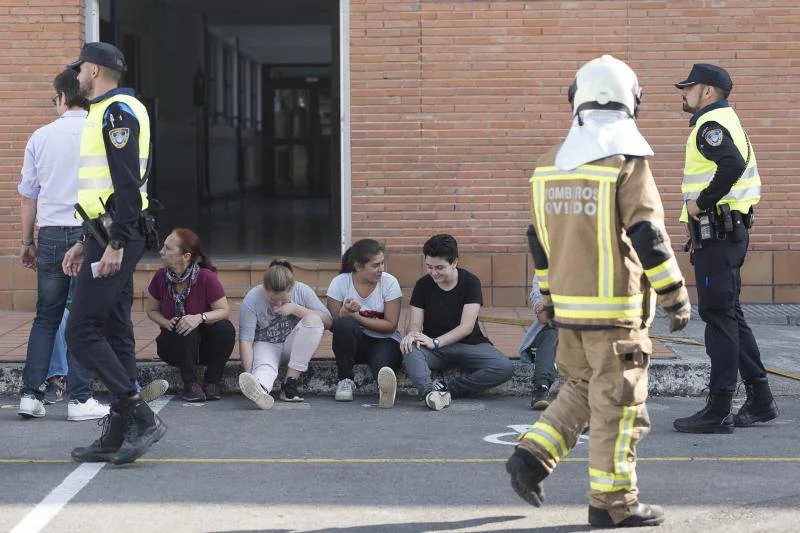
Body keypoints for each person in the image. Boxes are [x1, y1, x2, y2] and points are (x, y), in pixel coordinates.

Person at [505, 55, 691, 528]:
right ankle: (615, 506)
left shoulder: (548, 166)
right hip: (618, 316)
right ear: (632, 102)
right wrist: (674, 295)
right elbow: (648, 235)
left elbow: (540, 243)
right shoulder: (626, 163)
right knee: (621, 409)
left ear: (576, 101)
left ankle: (531, 456)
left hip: (569, 313)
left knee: (583, 391)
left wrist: (546, 299)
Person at [62, 42, 165, 465]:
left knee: (80, 329)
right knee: (117, 330)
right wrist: (86, 240)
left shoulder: (116, 112)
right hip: (104, 234)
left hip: (116, 237)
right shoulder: (105, 110)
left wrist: (116, 244)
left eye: (81, 69)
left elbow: (126, 185)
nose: (77, 77)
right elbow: (103, 188)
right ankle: (119, 432)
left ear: (95, 70)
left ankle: (140, 416)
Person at [672, 64, 778, 434]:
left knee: (718, 317)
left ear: (708, 91)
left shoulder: (710, 126)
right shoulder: (728, 121)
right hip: (727, 233)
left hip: (718, 234)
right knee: (730, 314)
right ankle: (761, 401)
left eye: (690, 87)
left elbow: (730, 164)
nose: (683, 93)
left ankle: (717, 410)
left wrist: (701, 202)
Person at [16, 69, 108, 422]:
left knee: (46, 317)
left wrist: (27, 241)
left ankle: (30, 395)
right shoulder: (98, 132)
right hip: (90, 234)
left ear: (61, 97)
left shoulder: (41, 136)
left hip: (51, 233)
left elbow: (28, 196)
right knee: (83, 317)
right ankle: (80, 399)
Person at [401, 234, 514, 410]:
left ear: (454, 262)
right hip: (434, 349)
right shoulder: (423, 285)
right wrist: (413, 334)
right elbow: (415, 323)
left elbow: (466, 327)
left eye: (439, 267)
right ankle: (429, 393)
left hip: (469, 345)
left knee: (504, 367)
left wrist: (436, 342)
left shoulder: (470, 282)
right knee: (409, 348)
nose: (433, 272)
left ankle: (449, 390)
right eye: (429, 267)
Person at [145, 229, 235, 402]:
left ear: (185, 256)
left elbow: (224, 310)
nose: (161, 252)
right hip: (174, 347)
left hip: (205, 346)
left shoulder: (205, 277)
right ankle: (191, 384)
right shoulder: (159, 278)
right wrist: (164, 322)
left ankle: (212, 382)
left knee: (225, 328)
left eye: (167, 248)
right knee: (183, 324)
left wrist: (199, 318)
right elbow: (151, 310)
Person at [238, 260, 333, 409]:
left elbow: (328, 322)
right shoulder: (252, 298)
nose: (278, 305)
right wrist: (248, 374)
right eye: (273, 300)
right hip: (266, 344)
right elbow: (246, 341)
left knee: (314, 320)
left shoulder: (302, 290)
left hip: (294, 345)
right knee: (265, 367)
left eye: (283, 300)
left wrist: (296, 309)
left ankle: (290, 383)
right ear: (265, 289)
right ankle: (260, 390)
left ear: (291, 288)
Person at [326, 239, 402, 407]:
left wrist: (356, 316)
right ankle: (345, 380)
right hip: (355, 343)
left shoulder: (389, 283)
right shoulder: (340, 283)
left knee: (382, 365)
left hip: (385, 341)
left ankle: (385, 390)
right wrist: (344, 314)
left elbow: (391, 325)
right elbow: (334, 325)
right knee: (345, 324)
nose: (381, 269)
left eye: (382, 263)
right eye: (375, 265)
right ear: (358, 266)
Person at [518, 273, 558, 410]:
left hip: (584, 336)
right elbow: (544, 317)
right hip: (552, 335)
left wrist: (552, 303)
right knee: (551, 333)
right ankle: (541, 388)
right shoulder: (545, 272)